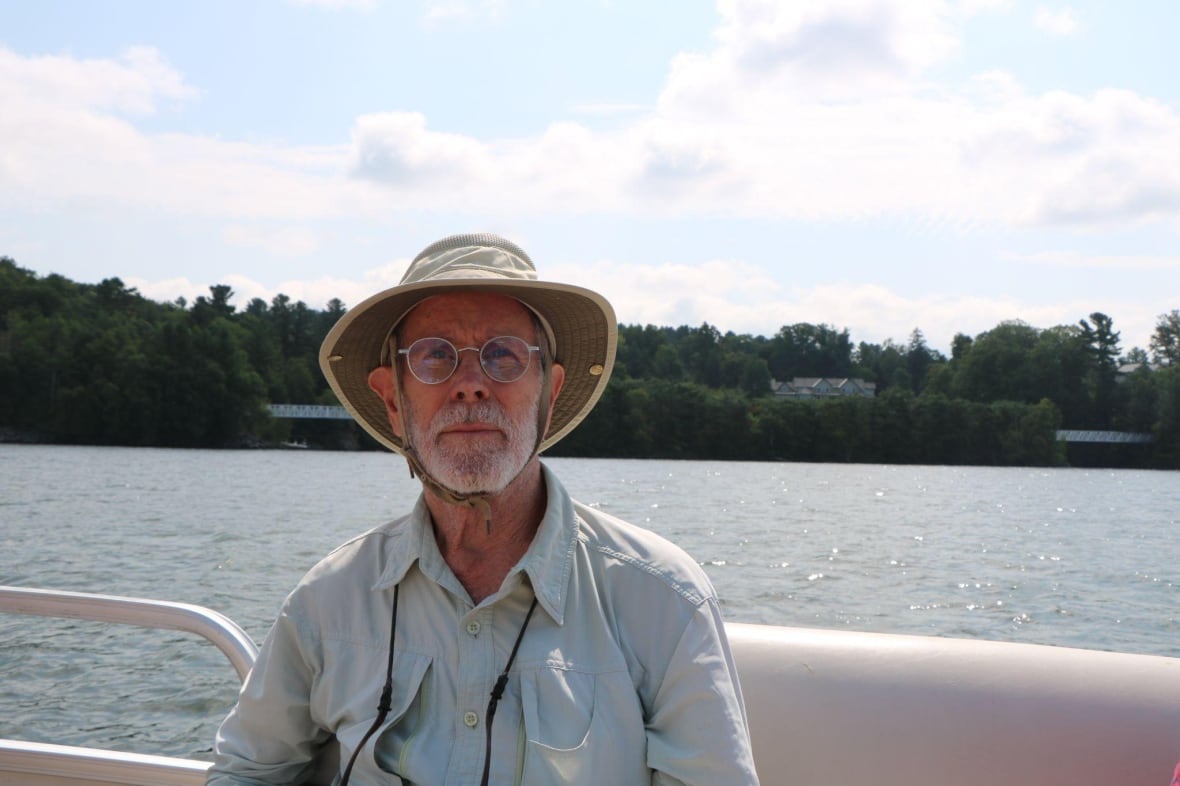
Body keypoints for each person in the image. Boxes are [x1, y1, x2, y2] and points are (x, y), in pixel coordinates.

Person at [207, 233, 760, 785]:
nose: (470, 386)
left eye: (503, 356)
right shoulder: (328, 600)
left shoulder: (663, 601)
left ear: (549, 391)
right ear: (393, 402)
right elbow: (246, 771)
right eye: (433, 358)